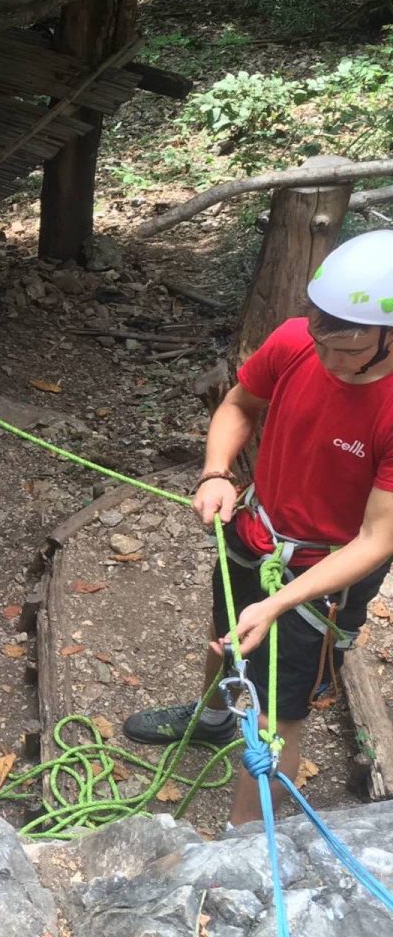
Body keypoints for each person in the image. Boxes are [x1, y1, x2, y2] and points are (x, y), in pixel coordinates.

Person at [123, 229, 393, 827]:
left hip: (327, 571)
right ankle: (213, 716)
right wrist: (216, 473)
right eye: (323, 332)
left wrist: (281, 603)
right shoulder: (298, 340)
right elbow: (240, 405)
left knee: (275, 713)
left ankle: (246, 847)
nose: (327, 354)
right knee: (225, 630)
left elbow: (377, 540)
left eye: (347, 345)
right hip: (256, 526)